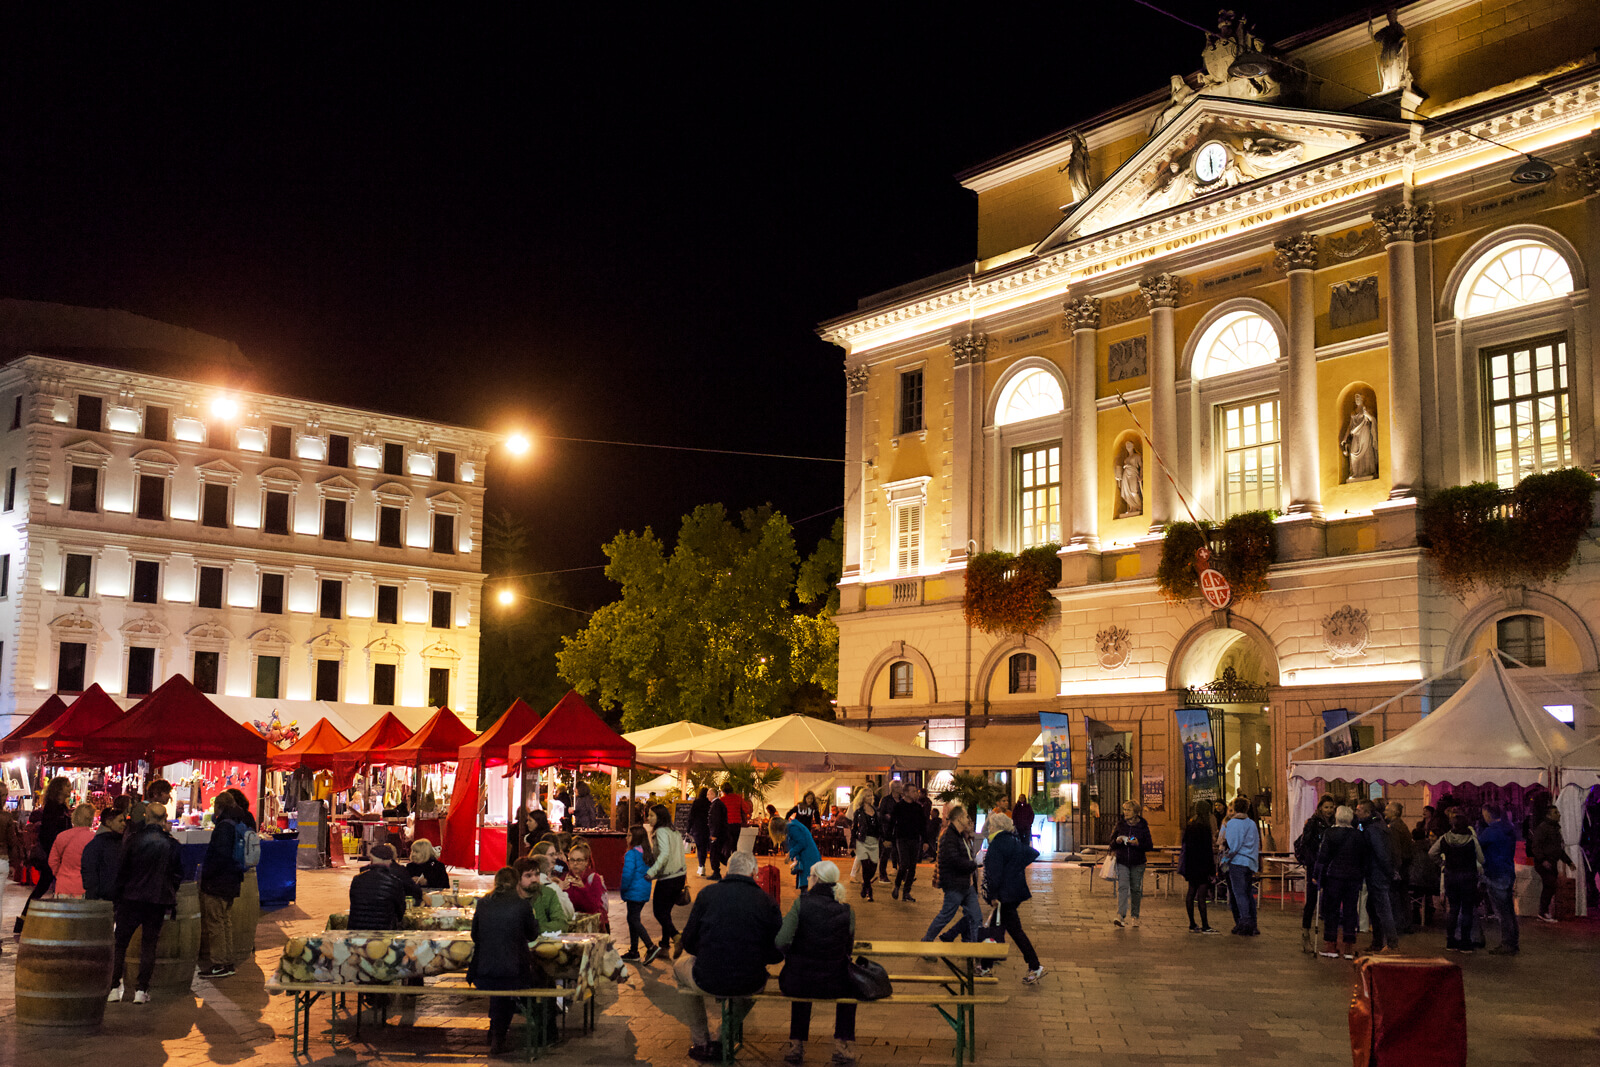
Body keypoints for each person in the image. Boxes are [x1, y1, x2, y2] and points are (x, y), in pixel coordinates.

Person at [676, 850, 784, 1062]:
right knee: (756, 985)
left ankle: (701, 1041)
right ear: (753, 871)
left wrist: (709, 952)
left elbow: (688, 940)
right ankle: (722, 1037)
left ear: (729, 870)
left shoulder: (707, 894)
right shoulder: (767, 901)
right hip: (749, 979)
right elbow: (776, 952)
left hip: (706, 976)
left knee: (679, 969)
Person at [777, 860, 858, 1066]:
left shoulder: (801, 903)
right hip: (835, 982)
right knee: (850, 988)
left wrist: (793, 954)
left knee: (800, 978)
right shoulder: (847, 910)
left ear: (816, 880)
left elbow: (781, 940)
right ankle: (841, 1045)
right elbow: (848, 947)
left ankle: (796, 1045)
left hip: (799, 981)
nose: (807, 879)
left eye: (810, 875)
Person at [108, 802, 184, 1004]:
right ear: (164, 818)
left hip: (131, 898)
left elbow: (122, 870)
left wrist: (118, 895)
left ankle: (114, 987)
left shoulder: (133, 840)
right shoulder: (171, 844)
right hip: (157, 900)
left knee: (120, 943)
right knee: (149, 944)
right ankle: (142, 990)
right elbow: (177, 874)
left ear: (146, 816)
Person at [469, 866, 542, 1055]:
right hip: (514, 972)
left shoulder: (483, 903)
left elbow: (475, 935)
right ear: (517, 883)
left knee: (499, 988)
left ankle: (495, 1031)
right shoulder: (522, 905)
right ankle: (502, 1035)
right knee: (524, 983)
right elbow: (532, 935)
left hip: (483, 971)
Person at [982, 812, 1044, 984]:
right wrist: (1015, 869)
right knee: (998, 928)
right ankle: (985, 966)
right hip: (1014, 892)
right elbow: (1032, 852)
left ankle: (1035, 965)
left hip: (1004, 895)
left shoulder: (997, 844)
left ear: (995, 827)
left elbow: (994, 873)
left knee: (1013, 931)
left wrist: (993, 895)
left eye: (990, 826)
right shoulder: (1013, 841)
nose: (988, 829)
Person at [198, 794, 245, 979]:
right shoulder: (237, 821)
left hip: (219, 881)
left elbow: (220, 856)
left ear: (219, 807)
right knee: (225, 921)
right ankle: (227, 962)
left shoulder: (224, 826)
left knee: (216, 923)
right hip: (232, 879)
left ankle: (219, 964)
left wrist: (207, 876)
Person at [923, 804, 982, 953]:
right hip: (955, 884)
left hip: (966, 884)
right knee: (945, 915)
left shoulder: (960, 835)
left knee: (976, 917)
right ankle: (926, 942)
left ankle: (973, 951)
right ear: (959, 818)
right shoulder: (949, 835)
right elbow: (953, 860)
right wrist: (974, 864)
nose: (968, 819)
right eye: (966, 816)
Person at [17, 776, 72, 930]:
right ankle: (60, 922)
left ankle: (23, 919)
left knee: (45, 886)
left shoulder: (61, 808)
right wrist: (55, 854)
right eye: (67, 785)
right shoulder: (53, 808)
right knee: (50, 885)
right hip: (53, 854)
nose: (70, 788)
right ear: (59, 789)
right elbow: (48, 834)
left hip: (57, 853)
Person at [1314, 805, 1369, 959]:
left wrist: (1317, 874)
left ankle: (1330, 946)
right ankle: (1348, 948)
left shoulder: (1330, 833)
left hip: (1334, 877)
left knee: (1331, 910)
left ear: (1337, 817)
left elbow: (1322, 856)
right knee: (1350, 911)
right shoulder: (1358, 835)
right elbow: (1364, 857)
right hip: (1353, 878)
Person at [1431, 810, 1484, 951]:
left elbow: (1432, 853)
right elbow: (1481, 858)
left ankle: (1450, 941)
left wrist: (1442, 864)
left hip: (1451, 876)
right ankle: (1465, 942)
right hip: (1468, 877)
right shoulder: (1471, 839)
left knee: (1453, 909)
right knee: (1466, 910)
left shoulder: (1444, 838)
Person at [1355, 799, 1398, 954]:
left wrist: (1388, 871)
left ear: (1367, 812)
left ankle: (1391, 943)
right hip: (1375, 872)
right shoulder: (1375, 826)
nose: (1356, 812)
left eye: (1359, 810)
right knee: (1372, 907)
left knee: (1382, 908)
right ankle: (1377, 942)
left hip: (1377, 873)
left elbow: (1381, 853)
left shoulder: (1373, 829)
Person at [1294, 795, 1336, 951]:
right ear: (1320, 808)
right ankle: (1306, 934)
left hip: (1330, 866)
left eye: (1331, 807)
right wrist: (1313, 861)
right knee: (1311, 901)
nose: (1329, 811)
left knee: (1329, 901)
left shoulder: (1335, 823)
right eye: (1326, 807)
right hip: (1315, 865)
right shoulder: (1312, 823)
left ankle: (1329, 938)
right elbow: (1305, 844)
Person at [645, 803, 688, 954]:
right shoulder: (674, 831)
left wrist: (652, 872)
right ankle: (664, 946)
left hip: (668, 878)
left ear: (660, 817)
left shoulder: (661, 831)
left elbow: (664, 854)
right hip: (679, 876)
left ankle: (676, 937)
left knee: (659, 912)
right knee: (666, 912)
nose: (648, 818)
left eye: (651, 815)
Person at [349, 841, 423, 928]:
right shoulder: (394, 882)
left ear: (371, 859)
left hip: (356, 931)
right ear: (389, 861)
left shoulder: (357, 879)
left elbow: (354, 903)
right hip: (383, 932)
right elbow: (400, 912)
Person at [1478, 802, 1520, 955]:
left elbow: (1478, 845)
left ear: (1488, 814)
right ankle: (1513, 941)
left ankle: (1507, 943)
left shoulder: (1491, 831)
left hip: (1495, 873)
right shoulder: (1508, 829)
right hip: (1507, 871)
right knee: (1509, 910)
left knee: (1502, 912)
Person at [1110, 800, 1153, 929]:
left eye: (1128, 810)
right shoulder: (1120, 824)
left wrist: (1138, 843)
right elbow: (1111, 843)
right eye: (1124, 809)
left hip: (1138, 862)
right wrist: (1117, 841)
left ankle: (1135, 916)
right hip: (1122, 860)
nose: (1125, 812)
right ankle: (1120, 916)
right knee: (1123, 887)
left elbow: (1149, 845)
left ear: (1135, 812)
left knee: (1135, 889)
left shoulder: (1143, 826)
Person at [619, 824, 658, 963]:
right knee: (633, 919)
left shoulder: (632, 854)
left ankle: (650, 946)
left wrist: (623, 890)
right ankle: (634, 951)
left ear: (635, 838)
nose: (626, 837)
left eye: (629, 835)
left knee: (633, 920)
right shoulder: (646, 853)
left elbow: (627, 875)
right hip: (643, 892)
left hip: (633, 892)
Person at [1528, 805, 1574, 923]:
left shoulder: (1554, 829)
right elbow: (1536, 846)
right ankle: (1542, 912)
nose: (1559, 814)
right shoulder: (1544, 828)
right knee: (1549, 885)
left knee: (1551, 886)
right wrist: (1543, 860)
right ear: (1549, 815)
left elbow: (1557, 849)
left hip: (1551, 862)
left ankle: (1544, 912)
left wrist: (1568, 861)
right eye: (1555, 812)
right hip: (1544, 863)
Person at [1180, 800, 1219, 933]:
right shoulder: (1204, 828)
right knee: (1201, 895)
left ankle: (1192, 923)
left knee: (1191, 892)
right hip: (1202, 865)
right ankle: (1205, 924)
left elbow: (1184, 844)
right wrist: (1212, 869)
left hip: (1191, 863)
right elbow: (1207, 850)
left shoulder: (1190, 825)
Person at [47, 803, 98, 897]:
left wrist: (60, 875)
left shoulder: (62, 836)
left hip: (63, 885)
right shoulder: (94, 839)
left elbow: (52, 860)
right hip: (84, 887)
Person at [82, 804, 129, 901]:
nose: (124, 824)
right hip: (104, 898)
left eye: (124, 820)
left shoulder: (121, 843)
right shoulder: (99, 845)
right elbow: (90, 874)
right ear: (108, 822)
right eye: (120, 821)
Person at [889, 783, 926, 902]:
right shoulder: (899, 806)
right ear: (906, 793)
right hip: (902, 838)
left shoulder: (918, 808)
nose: (916, 793)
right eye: (913, 791)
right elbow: (892, 823)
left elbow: (923, 825)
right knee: (904, 864)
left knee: (913, 866)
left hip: (915, 839)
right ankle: (897, 885)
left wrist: (925, 841)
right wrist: (888, 838)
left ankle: (906, 891)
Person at [514, 854, 570, 932]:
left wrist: (535, 929)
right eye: (528, 876)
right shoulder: (509, 896)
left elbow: (561, 924)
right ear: (517, 878)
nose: (534, 879)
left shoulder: (548, 893)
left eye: (537, 874)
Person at [1384, 801, 1415, 934]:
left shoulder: (1393, 828)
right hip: (1405, 865)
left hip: (1399, 866)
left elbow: (1395, 850)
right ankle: (1406, 923)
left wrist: (1395, 868)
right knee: (1403, 896)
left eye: (1387, 810)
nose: (1385, 812)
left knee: (1395, 896)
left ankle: (1398, 925)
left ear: (1394, 812)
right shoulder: (1402, 826)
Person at [562, 839, 608, 923]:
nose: (575, 864)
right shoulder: (564, 878)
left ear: (586, 862)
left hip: (590, 925)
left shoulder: (594, 878)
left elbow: (593, 907)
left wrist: (583, 889)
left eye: (579, 860)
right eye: (572, 860)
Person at [849, 789, 881, 902]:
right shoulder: (858, 812)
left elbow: (879, 826)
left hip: (874, 841)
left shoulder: (876, 810)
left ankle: (864, 885)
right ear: (862, 797)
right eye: (867, 796)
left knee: (873, 867)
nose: (870, 797)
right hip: (862, 841)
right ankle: (869, 891)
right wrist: (852, 845)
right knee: (866, 867)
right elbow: (854, 829)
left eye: (870, 795)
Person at [877, 781, 902, 884]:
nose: (901, 789)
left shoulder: (902, 800)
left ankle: (902, 875)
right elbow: (880, 814)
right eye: (900, 787)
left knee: (900, 853)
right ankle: (883, 875)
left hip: (900, 830)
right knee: (886, 853)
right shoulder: (886, 800)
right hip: (888, 830)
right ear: (894, 788)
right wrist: (887, 817)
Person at [707, 785, 730, 881]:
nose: (707, 796)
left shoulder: (716, 805)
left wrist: (714, 835)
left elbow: (716, 821)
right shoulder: (718, 804)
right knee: (720, 854)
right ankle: (730, 868)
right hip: (721, 833)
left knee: (715, 854)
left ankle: (716, 872)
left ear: (713, 794)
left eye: (708, 794)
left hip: (717, 834)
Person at [689, 787, 712, 877]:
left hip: (697, 828)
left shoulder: (696, 802)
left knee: (699, 847)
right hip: (707, 828)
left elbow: (691, 816)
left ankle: (701, 866)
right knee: (705, 847)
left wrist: (688, 829)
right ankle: (702, 865)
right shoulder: (709, 803)